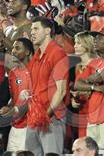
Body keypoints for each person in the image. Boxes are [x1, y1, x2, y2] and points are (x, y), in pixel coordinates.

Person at [27, 17, 69, 154]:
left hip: (51, 118)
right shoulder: (37, 55)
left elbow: (61, 90)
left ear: (47, 31)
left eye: (36, 28)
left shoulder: (57, 53)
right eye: (31, 29)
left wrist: (46, 114)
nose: (32, 32)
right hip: (35, 118)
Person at [1, 38, 33, 152]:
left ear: (27, 52)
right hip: (15, 125)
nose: (13, 51)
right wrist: (8, 107)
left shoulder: (34, 71)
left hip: (29, 126)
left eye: (17, 48)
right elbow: (14, 98)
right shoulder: (12, 72)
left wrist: (13, 110)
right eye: (13, 48)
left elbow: (32, 100)